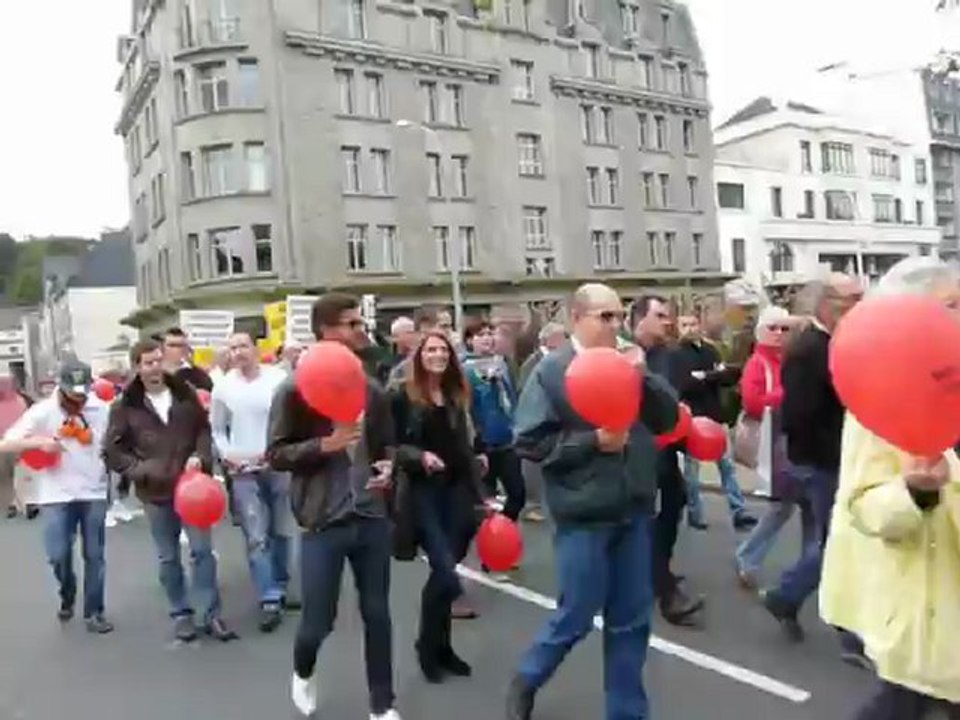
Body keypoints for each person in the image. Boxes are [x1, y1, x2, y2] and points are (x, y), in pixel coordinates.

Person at [506, 283, 679, 720]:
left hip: (634, 508)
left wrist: (644, 376)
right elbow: (528, 441)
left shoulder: (630, 363)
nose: (616, 325)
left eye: (620, 316)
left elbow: (668, 418)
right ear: (577, 319)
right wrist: (591, 443)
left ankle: (627, 713)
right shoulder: (553, 371)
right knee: (577, 613)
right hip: (582, 513)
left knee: (631, 621)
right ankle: (527, 677)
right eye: (605, 317)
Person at [821, 257, 960, 718]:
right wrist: (915, 492)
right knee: (908, 698)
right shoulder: (880, 394)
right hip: (923, 596)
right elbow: (865, 506)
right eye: (950, 305)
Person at [267, 293, 400, 720]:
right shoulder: (294, 389)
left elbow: (388, 444)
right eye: (351, 324)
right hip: (323, 519)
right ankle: (303, 671)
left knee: (377, 612)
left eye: (361, 323)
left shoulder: (371, 388)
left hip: (370, 514)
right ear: (325, 331)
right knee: (319, 620)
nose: (361, 330)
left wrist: (387, 466)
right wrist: (324, 445)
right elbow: (276, 453)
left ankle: (382, 704)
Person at [103, 339, 236, 643]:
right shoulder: (125, 405)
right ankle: (182, 614)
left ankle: (210, 614)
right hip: (156, 492)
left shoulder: (183, 392)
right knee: (168, 557)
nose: (155, 368)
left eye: (158, 361)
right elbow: (112, 450)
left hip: (194, 489)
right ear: (137, 366)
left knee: (203, 552)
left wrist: (200, 457)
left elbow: (203, 429)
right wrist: (142, 470)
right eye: (148, 363)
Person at [761, 273, 862, 641]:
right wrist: (838, 454)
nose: (859, 307)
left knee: (833, 541)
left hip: (829, 459)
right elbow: (798, 417)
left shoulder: (830, 343)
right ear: (827, 305)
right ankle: (849, 632)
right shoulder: (810, 350)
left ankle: (787, 597)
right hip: (821, 463)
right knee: (843, 542)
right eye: (852, 299)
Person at [392, 330, 487, 683]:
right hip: (422, 493)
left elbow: (463, 447)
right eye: (431, 349)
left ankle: (443, 649)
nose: (437, 355)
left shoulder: (455, 394)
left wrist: (481, 493)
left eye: (443, 349)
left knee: (448, 575)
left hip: (456, 491)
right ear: (419, 355)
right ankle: (426, 646)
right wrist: (420, 456)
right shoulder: (402, 395)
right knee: (446, 573)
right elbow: (390, 446)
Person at [0, 360, 113, 633]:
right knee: (58, 554)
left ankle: (94, 612)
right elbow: (6, 443)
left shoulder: (102, 409)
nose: (78, 397)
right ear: (60, 386)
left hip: (93, 490)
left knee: (95, 555)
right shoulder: (42, 411)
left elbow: (116, 442)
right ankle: (67, 591)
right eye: (72, 391)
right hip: (55, 493)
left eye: (82, 391)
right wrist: (39, 442)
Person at [211, 332, 291, 632]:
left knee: (281, 530)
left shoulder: (277, 379)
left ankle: (281, 583)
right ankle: (269, 595)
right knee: (256, 533)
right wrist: (228, 454)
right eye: (232, 348)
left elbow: (291, 419)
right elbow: (217, 429)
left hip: (277, 463)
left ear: (256, 350)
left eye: (243, 346)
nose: (238, 352)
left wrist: (279, 451)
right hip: (242, 468)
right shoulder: (223, 386)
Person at [631, 294, 703, 625]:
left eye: (668, 316)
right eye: (660, 315)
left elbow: (674, 396)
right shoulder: (623, 354)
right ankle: (666, 593)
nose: (667, 321)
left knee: (674, 506)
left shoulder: (668, 355)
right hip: (634, 453)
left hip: (666, 448)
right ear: (639, 319)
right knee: (647, 519)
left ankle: (658, 572)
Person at [734, 306, 804, 588]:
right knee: (783, 506)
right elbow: (752, 402)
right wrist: (788, 392)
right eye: (772, 328)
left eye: (784, 329)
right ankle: (748, 556)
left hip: (789, 437)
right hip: (773, 440)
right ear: (760, 332)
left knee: (787, 506)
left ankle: (750, 557)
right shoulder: (758, 363)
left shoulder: (789, 359)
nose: (778, 334)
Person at [672, 314, 756, 531]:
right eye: (684, 325)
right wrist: (712, 375)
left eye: (693, 324)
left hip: (715, 416)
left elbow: (728, 377)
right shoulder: (676, 355)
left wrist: (706, 376)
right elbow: (685, 384)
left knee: (727, 466)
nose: (690, 329)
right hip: (694, 419)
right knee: (692, 470)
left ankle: (739, 510)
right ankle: (695, 513)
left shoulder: (711, 351)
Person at [463, 318, 525, 524]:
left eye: (490, 333)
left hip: (508, 440)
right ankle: (487, 545)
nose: (487, 339)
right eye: (480, 335)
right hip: (483, 443)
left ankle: (503, 530)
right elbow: (466, 407)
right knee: (484, 501)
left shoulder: (503, 363)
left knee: (517, 494)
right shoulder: (465, 368)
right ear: (470, 341)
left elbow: (513, 396)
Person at [0, 374, 31, 519]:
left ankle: (21, 503)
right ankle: (10, 504)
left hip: (17, 442)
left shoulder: (21, 401)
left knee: (20, 474)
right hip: (5, 444)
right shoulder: (20, 401)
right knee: (6, 476)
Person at [162, 327, 213, 392]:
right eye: (172, 345)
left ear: (186, 348)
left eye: (179, 345)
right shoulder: (156, 372)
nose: (176, 349)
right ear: (163, 347)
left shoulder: (198, 375)